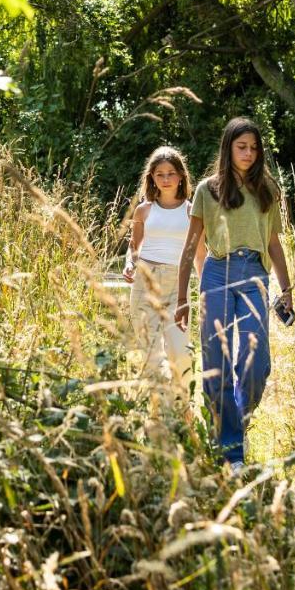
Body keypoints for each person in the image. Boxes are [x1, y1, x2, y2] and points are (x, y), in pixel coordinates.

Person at [174, 118, 292, 473]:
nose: (248, 153)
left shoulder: (267, 189)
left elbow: (273, 243)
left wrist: (286, 291)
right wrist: (183, 296)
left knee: (257, 362)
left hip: (254, 273)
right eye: (242, 147)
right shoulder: (207, 190)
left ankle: (233, 423)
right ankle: (231, 451)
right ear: (228, 148)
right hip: (216, 272)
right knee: (217, 361)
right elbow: (191, 245)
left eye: (254, 148)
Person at [123, 146, 205, 408]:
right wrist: (129, 264)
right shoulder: (144, 211)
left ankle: (183, 412)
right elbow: (134, 247)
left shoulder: (193, 211)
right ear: (152, 178)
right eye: (160, 174)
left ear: (181, 176)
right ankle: (158, 418)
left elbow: (200, 255)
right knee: (152, 356)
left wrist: (204, 292)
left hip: (176, 286)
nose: (166, 179)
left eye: (171, 173)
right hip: (145, 283)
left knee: (181, 355)